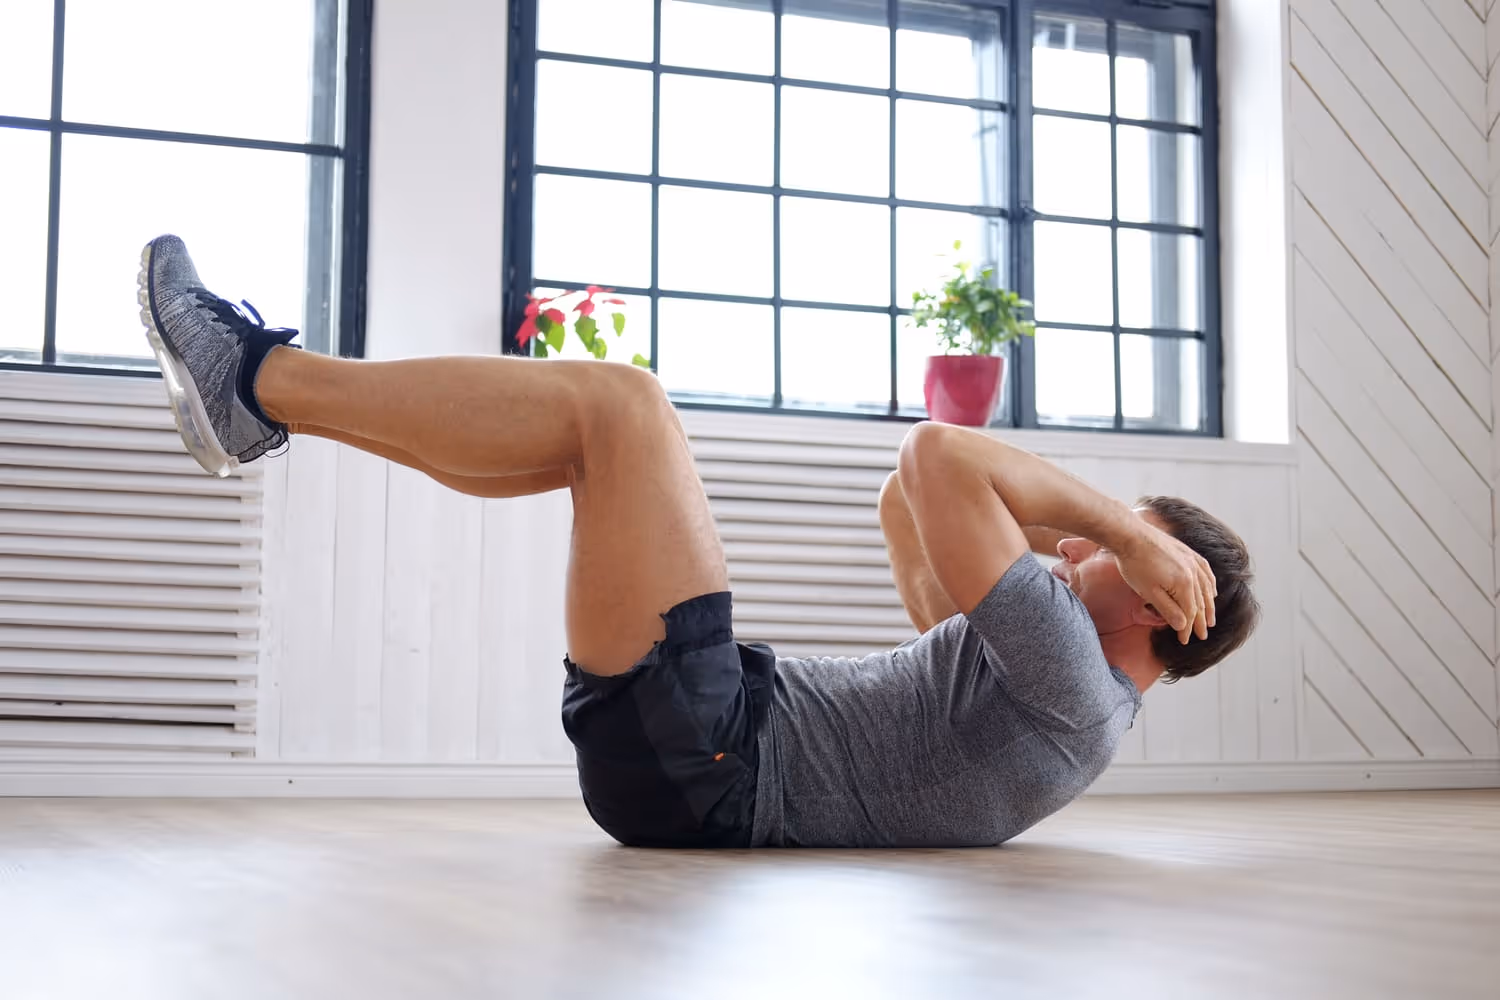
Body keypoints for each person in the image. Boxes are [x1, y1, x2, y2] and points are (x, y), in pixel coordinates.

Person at [137, 234, 1259, 849]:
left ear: (1163, 605)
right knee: (593, 433)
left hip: (710, 756)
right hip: (699, 748)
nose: (1073, 553)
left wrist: (1119, 523)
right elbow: (901, 503)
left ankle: (260, 380)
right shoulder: (1047, 682)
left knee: (620, 406)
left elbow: (934, 454)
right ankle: (267, 401)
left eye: (1118, 555)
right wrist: (1108, 539)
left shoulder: (1072, 676)